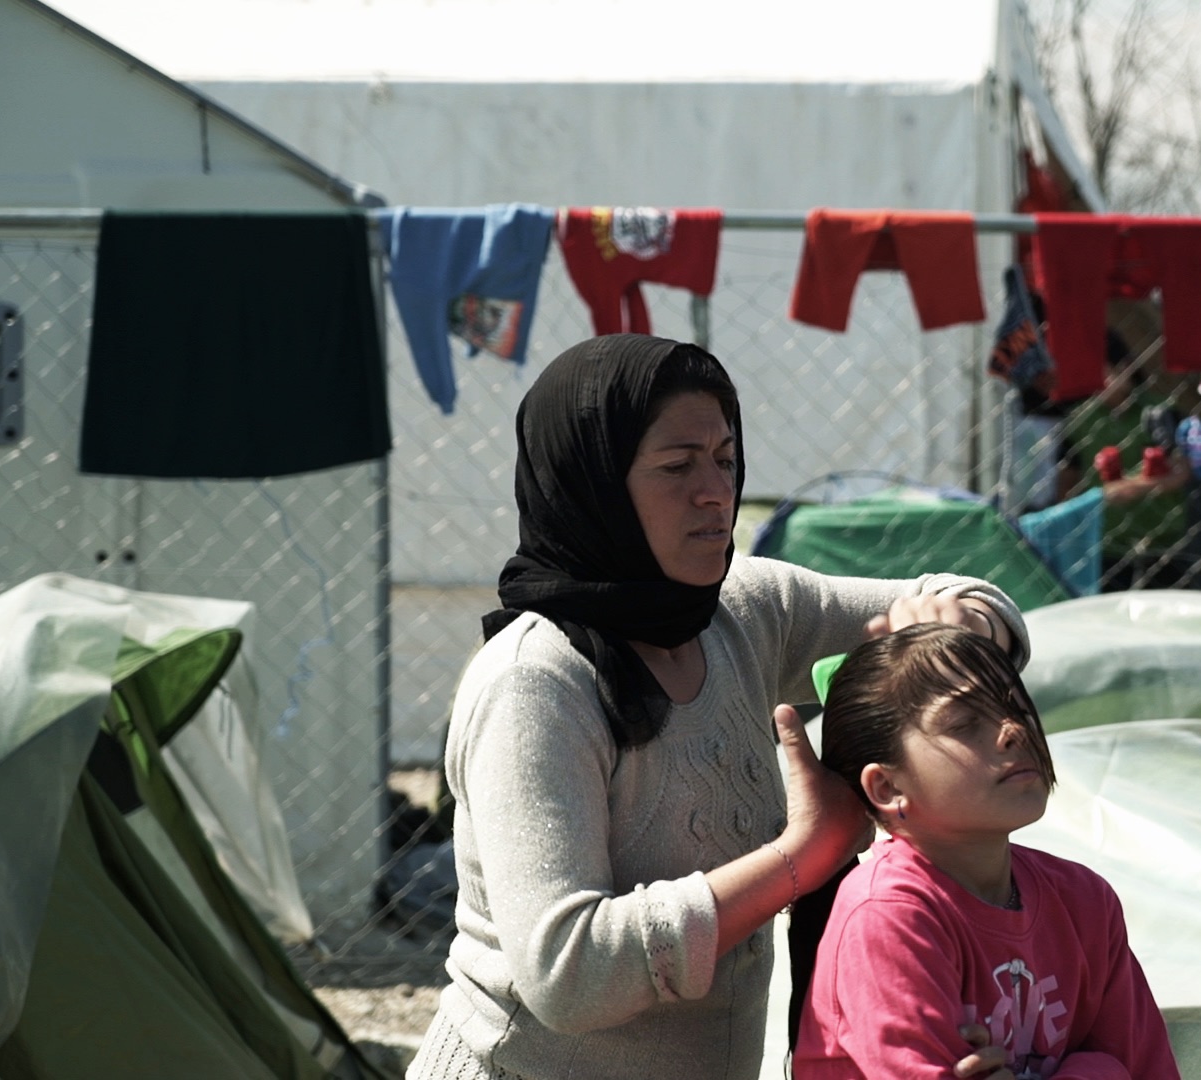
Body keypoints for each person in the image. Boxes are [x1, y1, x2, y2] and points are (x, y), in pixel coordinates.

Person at [406, 334, 1029, 1080]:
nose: (716, 491)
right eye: (677, 466)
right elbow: (567, 973)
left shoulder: (743, 612)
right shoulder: (537, 684)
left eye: (726, 459)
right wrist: (799, 859)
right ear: (594, 486)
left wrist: (962, 624)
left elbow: (972, 605)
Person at [793, 624, 1180, 1080]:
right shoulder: (889, 914)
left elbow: (1144, 1067)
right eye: (965, 723)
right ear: (887, 786)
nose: (1014, 730)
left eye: (1016, 707)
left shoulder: (1085, 900)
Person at [1052, 331, 1193, 592]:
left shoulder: (1158, 411)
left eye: (1105, 372)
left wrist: (1131, 488)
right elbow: (1066, 480)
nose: (1099, 383)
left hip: (1161, 540)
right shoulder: (1080, 419)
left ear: (1126, 367)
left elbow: (1181, 471)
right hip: (1103, 543)